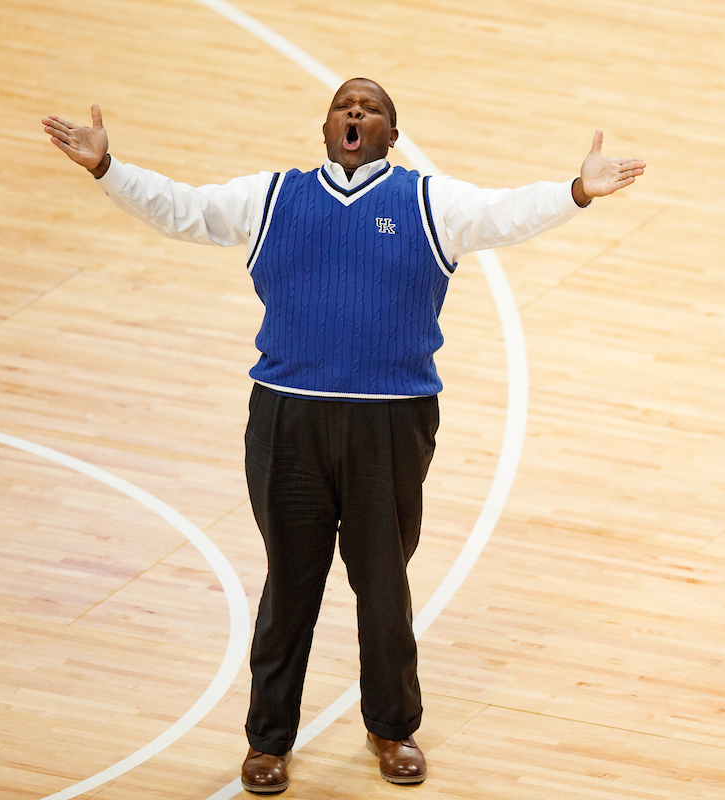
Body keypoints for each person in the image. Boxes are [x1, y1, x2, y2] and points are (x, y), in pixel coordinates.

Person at [42, 78, 645, 792]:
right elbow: (186, 210)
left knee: (383, 585)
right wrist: (110, 170)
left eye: (374, 108)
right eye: (344, 106)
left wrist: (576, 190)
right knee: (289, 587)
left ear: (394, 133)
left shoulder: (429, 200)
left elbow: (506, 214)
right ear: (325, 127)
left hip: (391, 420)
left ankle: (392, 729)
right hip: (286, 418)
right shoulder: (272, 197)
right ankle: (268, 741)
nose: (356, 112)